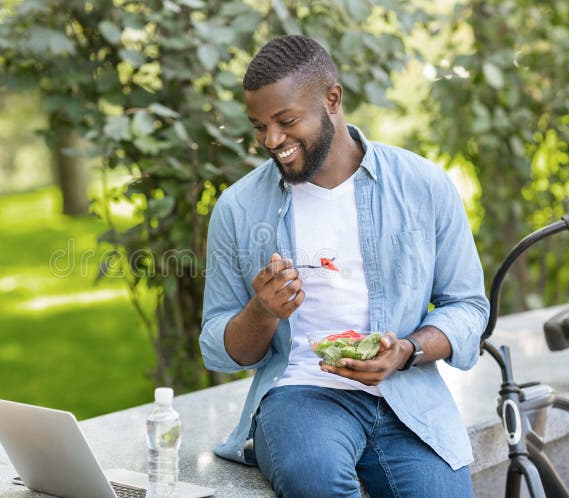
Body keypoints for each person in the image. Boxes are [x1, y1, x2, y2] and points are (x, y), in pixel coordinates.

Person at [199, 35, 489, 498]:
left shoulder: (422, 185)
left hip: (405, 393)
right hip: (301, 394)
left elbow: (469, 306)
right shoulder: (238, 208)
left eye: (286, 121)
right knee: (313, 478)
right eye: (259, 127)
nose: (272, 141)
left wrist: (407, 350)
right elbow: (217, 346)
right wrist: (262, 310)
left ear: (332, 99)